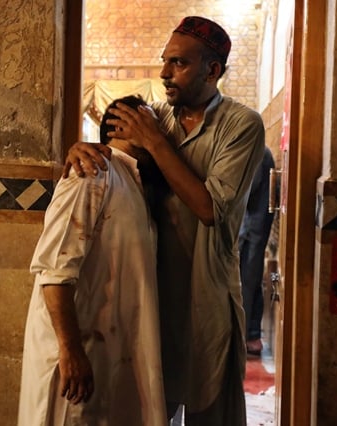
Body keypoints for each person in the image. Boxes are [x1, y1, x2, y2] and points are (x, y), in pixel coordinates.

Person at [63, 17, 265, 425]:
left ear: (212, 70)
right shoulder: (158, 117)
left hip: (207, 301)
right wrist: (81, 149)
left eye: (179, 63)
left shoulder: (241, 125)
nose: (164, 73)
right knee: (153, 412)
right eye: (164, 61)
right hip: (153, 299)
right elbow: (116, 152)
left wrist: (155, 140)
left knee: (212, 413)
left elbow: (210, 209)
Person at [18, 95, 167, 425]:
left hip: (105, 353)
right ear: (123, 125)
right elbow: (54, 271)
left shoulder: (134, 182)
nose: (160, 131)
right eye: (149, 120)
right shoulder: (93, 172)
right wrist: (70, 351)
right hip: (76, 354)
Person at [239, 146, 275, 357]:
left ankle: (244, 336)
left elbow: (244, 190)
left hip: (252, 228)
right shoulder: (258, 149)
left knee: (246, 279)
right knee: (249, 279)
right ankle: (250, 334)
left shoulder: (255, 149)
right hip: (253, 226)